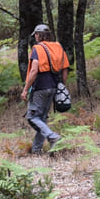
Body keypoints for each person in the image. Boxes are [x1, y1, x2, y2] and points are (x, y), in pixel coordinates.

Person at [21, 24, 70, 153]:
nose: (35, 37)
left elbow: (33, 71)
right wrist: (61, 86)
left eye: (36, 34)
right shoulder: (58, 47)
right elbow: (65, 70)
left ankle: (53, 137)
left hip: (40, 87)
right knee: (41, 119)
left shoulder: (37, 48)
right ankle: (36, 150)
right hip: (54, 86)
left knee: (32, 118)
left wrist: (26, 89)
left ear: (39, 35)